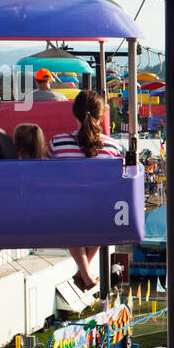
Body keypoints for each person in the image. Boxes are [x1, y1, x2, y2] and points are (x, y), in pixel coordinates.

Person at [48, 90, 123, 290]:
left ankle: (85, 273)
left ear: (75, 114)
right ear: (101, 115)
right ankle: (85, 272)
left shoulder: (57, 143)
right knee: (97, 215)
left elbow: (48, 176)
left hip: (67, 213)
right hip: (103, 214)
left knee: (71, 214)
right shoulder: (115, 147)